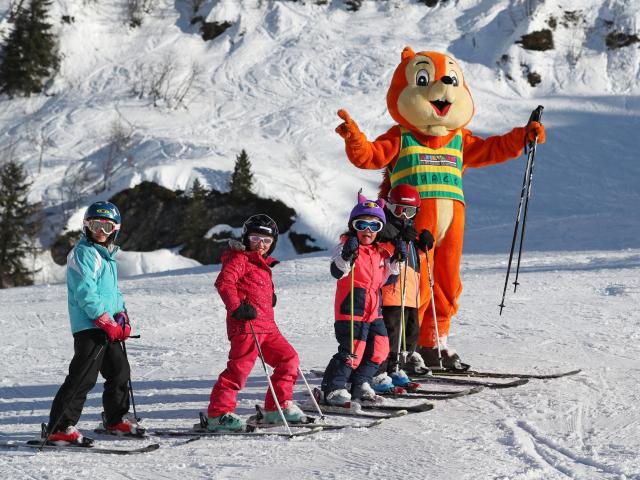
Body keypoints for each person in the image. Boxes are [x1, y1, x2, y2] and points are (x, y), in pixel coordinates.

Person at [45, 201, 137, 446]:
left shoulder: (107, 256)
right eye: (95, 225)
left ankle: (115, 419)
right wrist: (104, 320)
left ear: (115, 229)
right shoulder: (83, 253)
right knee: (83, 377)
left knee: (120, 372)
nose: (100, 231)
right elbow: (85, 292)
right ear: (86, 226)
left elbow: (113, 294)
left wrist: (123, 316)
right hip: (90, 327)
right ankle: (60, 427)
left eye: (106, 227)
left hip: (109, 327)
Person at [207, 214, 303, 431]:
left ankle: (277, 408)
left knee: (289, 360)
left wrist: (271, 296)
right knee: (238, 371)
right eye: (256, 239)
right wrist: (237, 307)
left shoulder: (262, 263)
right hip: (246, 327)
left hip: (268, 328)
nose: (261, 245)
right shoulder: (239, 258)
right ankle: (218, 414)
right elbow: (224, 283)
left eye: (267, 241)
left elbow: (254, 286)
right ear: (246, 238)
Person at [320, 192, 403, 406]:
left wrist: (396, 261)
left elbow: (387, 279)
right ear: (353, 226)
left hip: (374, 310)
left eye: (374, 226)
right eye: (362, 224)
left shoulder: (379, 252)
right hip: (351, 308)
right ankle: (333, 388)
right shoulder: (346, 246)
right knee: (352, 351)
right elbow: (337, 272)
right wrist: (347, 255)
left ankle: (360, 383)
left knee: (381, 348)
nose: (367, 230)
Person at [370, 184, 435, 393]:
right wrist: (399, 237)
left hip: (409, 293)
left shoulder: (408, 231)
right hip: (391, 292)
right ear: (389, 206)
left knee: (410, 334)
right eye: (400, 210)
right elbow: (382, 250)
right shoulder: (383, 227)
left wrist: (423, 245)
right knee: (390, 334)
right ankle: (379, 372)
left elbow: (413, 260)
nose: (405, 215)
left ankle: (396, 368)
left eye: (410, 211)